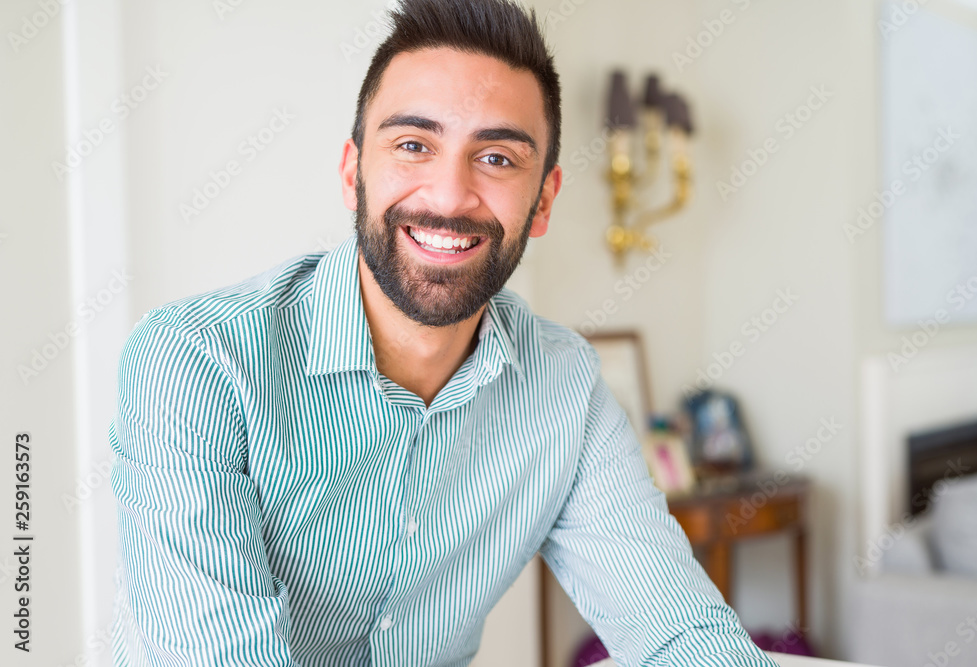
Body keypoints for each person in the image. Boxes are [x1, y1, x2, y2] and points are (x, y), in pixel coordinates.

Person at [109, 0, 779, 665]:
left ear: (542, 201)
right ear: (353, 172)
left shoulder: (564, 386)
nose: (451, 195)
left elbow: (676, 634)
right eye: (413, 145)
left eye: (496, 158)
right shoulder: (194, 364)